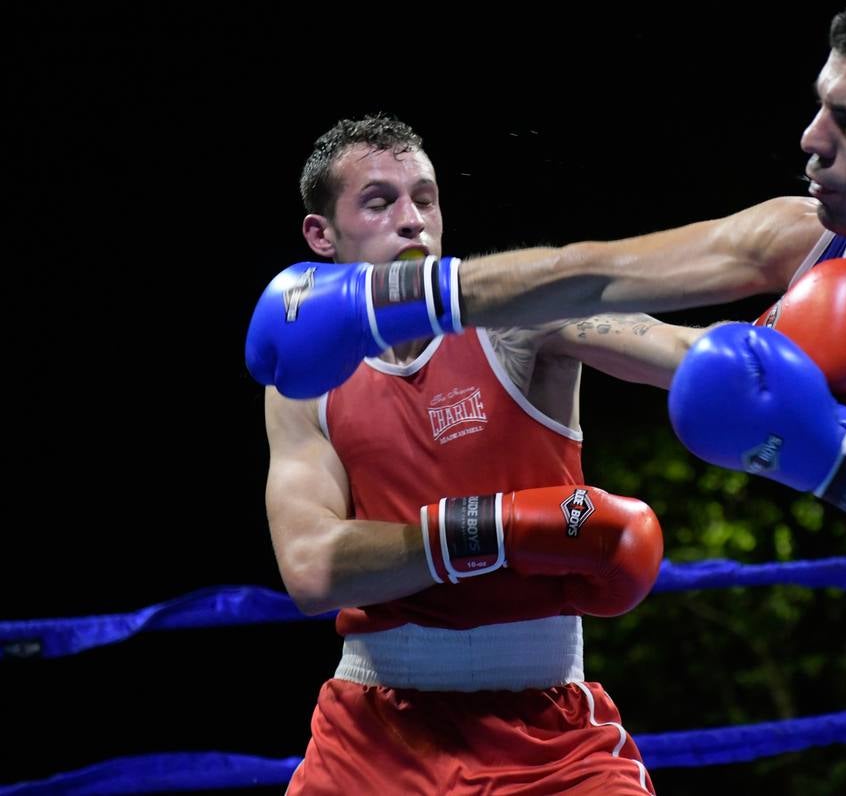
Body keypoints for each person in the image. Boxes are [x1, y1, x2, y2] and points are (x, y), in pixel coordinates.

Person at [250, 0, 846, 793]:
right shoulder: (807, 237)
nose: (812, 142)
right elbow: (596, 272)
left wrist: (825, 449)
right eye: (821, 108)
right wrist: (393, 302)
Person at [261, 114, 702, 795]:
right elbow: (312, 570)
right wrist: (495, 528)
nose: (412, 220)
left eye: (425, 198)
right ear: (322, 235)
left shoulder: (515, 316)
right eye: (379, 201)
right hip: (372, 737)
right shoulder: (305, 380)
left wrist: (798, 345)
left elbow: (682, 355)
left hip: (549, 734)